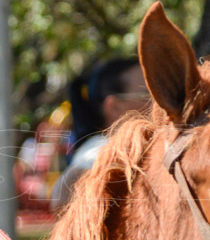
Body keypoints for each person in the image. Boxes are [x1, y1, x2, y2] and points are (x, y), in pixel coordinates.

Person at [49, 57, 149, 212]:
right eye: (147, 94)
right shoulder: (100, 147)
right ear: (114, 106)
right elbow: (60, 197)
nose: (158, 101)